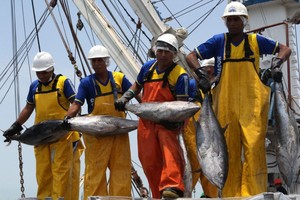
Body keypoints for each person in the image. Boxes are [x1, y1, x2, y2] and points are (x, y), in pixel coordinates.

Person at [186, 1, 291, 197]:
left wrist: (277, 63)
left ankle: (254, 193)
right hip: (225, 106)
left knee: (254, 149)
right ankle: (230, 194)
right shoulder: (218, 42)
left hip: (252, 107)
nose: (233, 23)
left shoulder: (255, 41)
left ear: (244, 21)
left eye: (236, 19)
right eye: (229, 20)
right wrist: (201, 75)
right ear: (225, 22)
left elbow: (285, 49)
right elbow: (191, 56)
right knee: (228, 150)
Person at [115, 33, 190, 199]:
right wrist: (125, 97)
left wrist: (177, 123)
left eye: (167, 52)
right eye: (160, 51)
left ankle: (172, 186)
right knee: (149, 161)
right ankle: (158, 194)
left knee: (170, 154)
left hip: (167, 122)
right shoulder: (148, 68)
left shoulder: (180, 75)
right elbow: (136, 86)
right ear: (155, 51)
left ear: (174, 55)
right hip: (147, 122)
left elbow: (182, 104)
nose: (162, 55)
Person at [2, 51, 82, 200]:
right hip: (42, 137)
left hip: (62, 137)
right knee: (43, 173)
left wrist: (68, 118)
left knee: (61, 172)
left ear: (51, 69)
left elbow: (76, 103)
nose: (41, 76)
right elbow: (28, 108)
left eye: (44, 72)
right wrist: (16, 125)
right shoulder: (34, 86)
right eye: (38, 73)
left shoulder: (63, 82)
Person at [65, 45, 138, 199]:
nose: (97, 63)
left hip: (118, 132)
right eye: (94, 61)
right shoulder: (86, 83)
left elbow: (135, 92)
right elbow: (77, 104)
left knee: (121, 169)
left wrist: (146, 109)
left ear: (106, 61)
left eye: (100, 60)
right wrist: (67, 119)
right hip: (95, 136)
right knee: (95, 172)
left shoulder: (119, 78)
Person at [183, 58, 218, 198]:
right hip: (194, 126)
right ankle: (185, 193)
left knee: (212, 165)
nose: (209, 71)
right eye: (207, 68)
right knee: (194, 163)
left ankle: (212, 195)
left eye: (211, 68)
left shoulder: (218, 85)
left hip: (211, 129)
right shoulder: (192, 84)